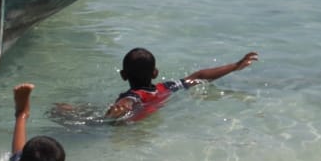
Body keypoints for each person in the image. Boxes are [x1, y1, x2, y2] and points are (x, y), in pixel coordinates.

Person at [104, 47, 260, 121]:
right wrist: (235, 66)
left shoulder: (134, 96)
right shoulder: (165, 88)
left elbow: (131, 99)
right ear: (155, 73)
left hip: (124, 126)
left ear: (124, 75)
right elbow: (199, 76)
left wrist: (121, 106)